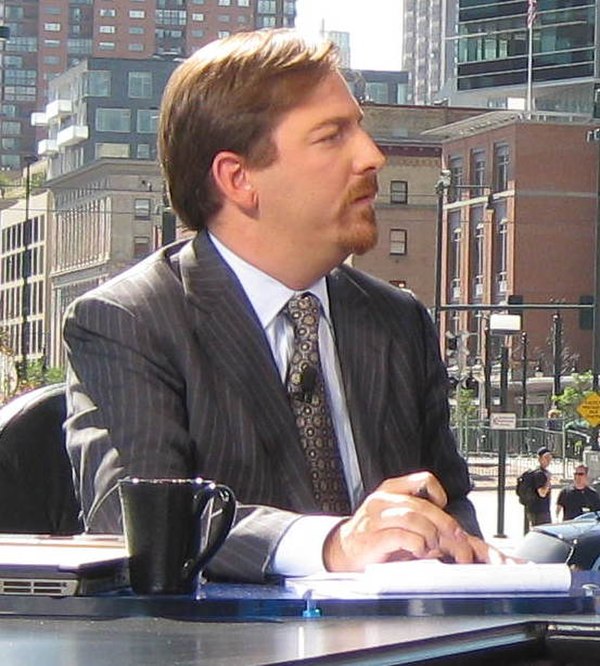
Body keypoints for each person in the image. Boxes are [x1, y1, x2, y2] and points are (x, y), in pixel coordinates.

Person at [64, 29, 509, 583]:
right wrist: (333, 543)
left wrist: (461, 547)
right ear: (238, 177)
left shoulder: (398, 320)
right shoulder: (130, 321)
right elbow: (139, 518)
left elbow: (449, 497)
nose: (372, 156)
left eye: (361, 129)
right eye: (331, 136)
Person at [525, 446, 553, 527]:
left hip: (539, 510)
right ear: (539, 459)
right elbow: (542, 493)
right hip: (539, 512)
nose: (548, 460)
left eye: (550, 457)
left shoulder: (542, 472)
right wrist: (548, 479)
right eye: (546, 457)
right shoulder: (540, 474)